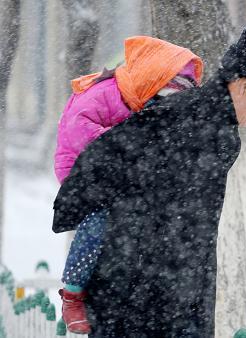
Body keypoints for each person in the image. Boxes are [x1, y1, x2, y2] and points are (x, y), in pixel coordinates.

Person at [52, 20, 246, 337]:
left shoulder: (213, 126)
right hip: (141, 309)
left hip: (158, 305)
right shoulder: (190, 120)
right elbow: (105, 161)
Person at [54, 35, 203, 334]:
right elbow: (79, 131)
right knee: (97, 224)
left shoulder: (139, 99)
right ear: (152, 83)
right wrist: (124, 142)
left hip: (118, 172)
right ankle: (73, 292)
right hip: (82, 173)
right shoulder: (105, 93)